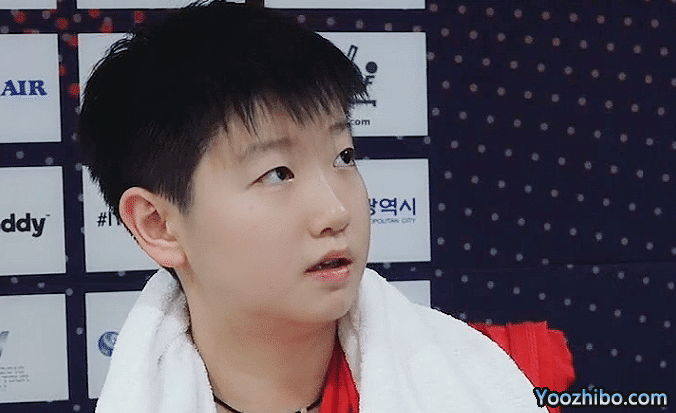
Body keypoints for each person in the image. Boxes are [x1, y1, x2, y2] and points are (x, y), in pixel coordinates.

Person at [78, 1, 543, 412]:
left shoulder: (492, 378)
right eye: (276, 174)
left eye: (344, 157)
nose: (336, 212)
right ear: (158, 224)